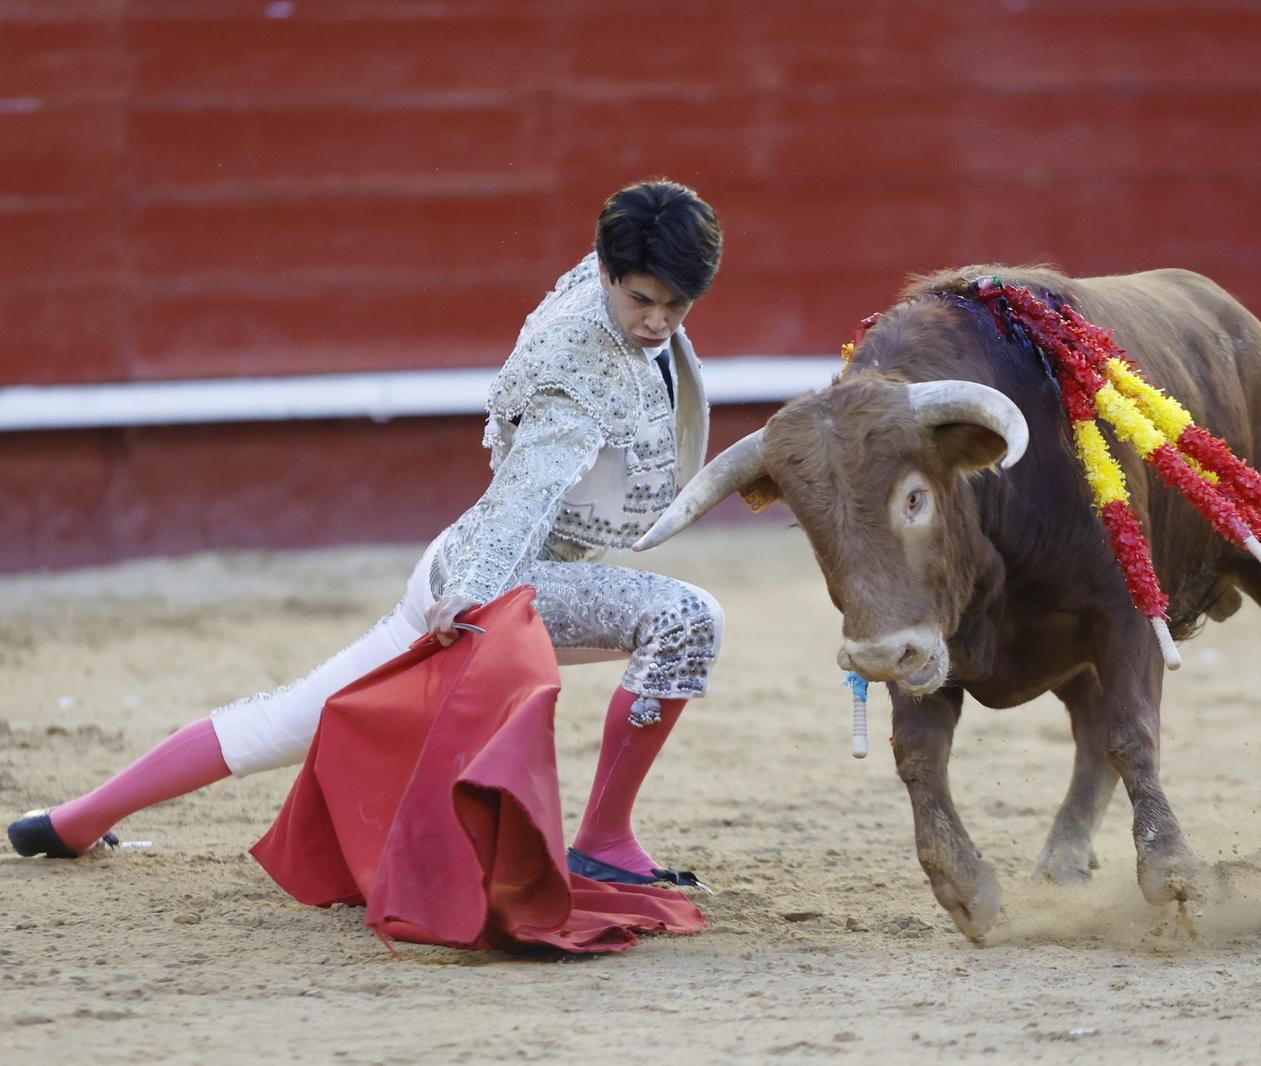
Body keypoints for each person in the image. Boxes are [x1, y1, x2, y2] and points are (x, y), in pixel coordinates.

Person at [9, 178, 725, 889]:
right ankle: (603, 840)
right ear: (605, 273)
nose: (657, 321)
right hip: (496, 580)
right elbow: (526, 491)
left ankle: (76, 819)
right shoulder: (581, 369)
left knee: (297, 715)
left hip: (473, 563)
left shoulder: (615, 271)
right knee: (687, 618)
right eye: (641, 300)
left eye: (675, 304)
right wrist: (474, 593)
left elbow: (650, 242)